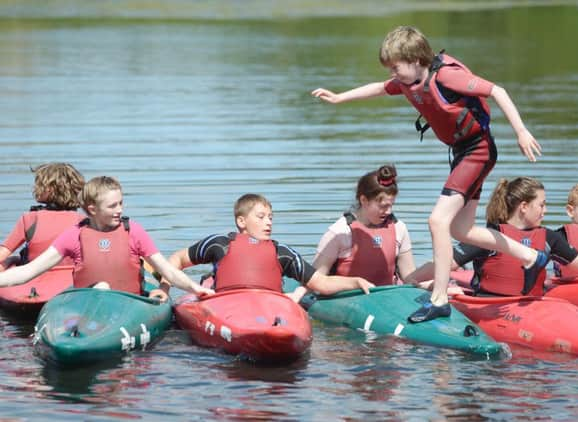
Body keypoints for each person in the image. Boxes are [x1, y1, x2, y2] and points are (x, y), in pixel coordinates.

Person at [311, 25, 547, 322]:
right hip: (463, 152)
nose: (393, 75)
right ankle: (531, 258)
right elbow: (377, 88)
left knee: (438, 221)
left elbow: (497, 90)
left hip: (478, 150)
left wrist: (521, 131)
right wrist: (339, 98)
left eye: (396, 68)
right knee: (461, 231)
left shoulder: (446, 76)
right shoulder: (407, 80)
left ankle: (439, 298)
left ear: (415, 60)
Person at [409, 177, 578, 298]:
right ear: (524, 207)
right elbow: (444, 264)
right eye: (542, 205)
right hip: (489, 306)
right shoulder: (488, 237)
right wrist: (410, 281)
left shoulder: (549, 237)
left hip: (533, 308)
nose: (545, 210)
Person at [0, 176, 212, 301]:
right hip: (87, 306)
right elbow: (29, 271)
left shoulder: (134, 232)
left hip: (129, 304)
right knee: (99, 288)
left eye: (121, 203)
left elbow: (168, 271)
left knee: (103, 288)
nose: (120, 210)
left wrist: (196, 289)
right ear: (92, 209)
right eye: (112, 206)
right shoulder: (74, 235)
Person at [159, 193, 374, 300]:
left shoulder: (282, 253)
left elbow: (321, 283)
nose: (269, 222)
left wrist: (355, 281)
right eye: (261, 217)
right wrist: (164, 289)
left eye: (271, 217)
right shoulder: (219, 245)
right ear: (241, 221)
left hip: (268, 309)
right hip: (225, 305)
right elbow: (176, 260)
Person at [288, 165, 414, 301]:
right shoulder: (339, 232)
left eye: (391, 205)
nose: (389, 211)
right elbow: (315, 280)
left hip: (388, 300)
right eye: (383, 206)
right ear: (364, 200)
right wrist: (297, 295)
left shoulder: (399, 228)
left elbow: (409, 276)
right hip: (346, 302)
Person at [0, 163, 85, 272]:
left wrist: (10, 261)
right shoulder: (83, 221)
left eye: (38, 184)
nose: (35, 188)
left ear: (49, 189)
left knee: (9, 260)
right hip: (71, 279)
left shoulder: (30, 219)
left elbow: (3, 253)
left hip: (34, 277)